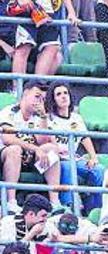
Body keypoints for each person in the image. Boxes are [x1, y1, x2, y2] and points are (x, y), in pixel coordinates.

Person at [0, 81, 62, 210]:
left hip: (32, 160)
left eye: (43, 99)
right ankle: (11, 202)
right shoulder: (9, 112)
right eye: (37, 96)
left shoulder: (40, 116)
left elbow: (43, 142)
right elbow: (7, 138)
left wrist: (44, 118)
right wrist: (35, 149)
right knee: (14, 150)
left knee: (51, 149)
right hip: (9, 157)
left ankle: (55, 203)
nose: (40, 102)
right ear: (26, 94)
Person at [45, 82, 102, 212]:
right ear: (53, 99)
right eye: (58, 94)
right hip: (59, 161)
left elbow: (85, 138)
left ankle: (94, 208)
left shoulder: (77, 118)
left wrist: (93, 157)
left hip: (75, 159)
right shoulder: (49, 119)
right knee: (68, 166)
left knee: (98, 169)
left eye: (65, 93)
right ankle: (69, 206)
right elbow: (51, 142)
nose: (63, 96)